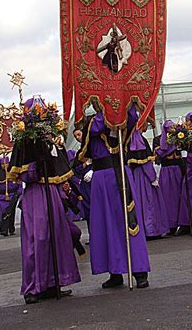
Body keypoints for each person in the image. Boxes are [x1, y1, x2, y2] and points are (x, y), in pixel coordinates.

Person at [8, 98, 81, 304]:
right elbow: (23, 175)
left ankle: (53, 282)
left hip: (52, 192)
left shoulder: (53, 141)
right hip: (36, 194)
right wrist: (35, 165)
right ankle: (33, 287)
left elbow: (61, 168)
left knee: (57, 236)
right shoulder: (24, 142)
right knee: (38, 238)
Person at [78, 104, 150, 288]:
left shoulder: (125, 114)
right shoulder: (93, 121)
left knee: (128, 221)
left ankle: (139, 271)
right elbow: (94, 130)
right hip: (101, 176)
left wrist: (124, 105)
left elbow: (133, 118)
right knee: (105, 224)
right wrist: (109, 111)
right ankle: (114, 270)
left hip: (119, 172)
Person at [128, 128, 170, 239]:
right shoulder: (140, 140)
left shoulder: (127, 141)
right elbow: (146, 163)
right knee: (148, 203)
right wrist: (152, 178)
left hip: (134, 177)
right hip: (144, 177)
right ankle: (151, 230)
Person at [153, 120, 183, 236]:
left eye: (173, 127)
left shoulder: (179, 138)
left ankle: (184, 223)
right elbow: (158, 156)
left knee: (180, 196)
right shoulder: (159, 141)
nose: (172, 129)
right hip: (166, 172)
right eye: (169, 128)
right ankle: (170, 225)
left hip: (178, 170)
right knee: (168, 199)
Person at [0, 157, 23, 237]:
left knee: (11, 212)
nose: (4, 165)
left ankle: (11, 229)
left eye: (6, 163)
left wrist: (19, 192)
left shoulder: (13, 172)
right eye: (2, 164)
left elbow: (19, 184)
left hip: (13, 195)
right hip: (2, 197)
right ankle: (4, 230)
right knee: (5, 212)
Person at [72, 127, 92, 234]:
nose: (77, 138)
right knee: (88, 209)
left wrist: (93, 169)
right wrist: (85, 164)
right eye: (75, 137)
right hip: (85, 183)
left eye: (78, 135)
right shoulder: (79, 152)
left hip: (96, 179)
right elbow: (75, 169)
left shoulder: (94, 146)